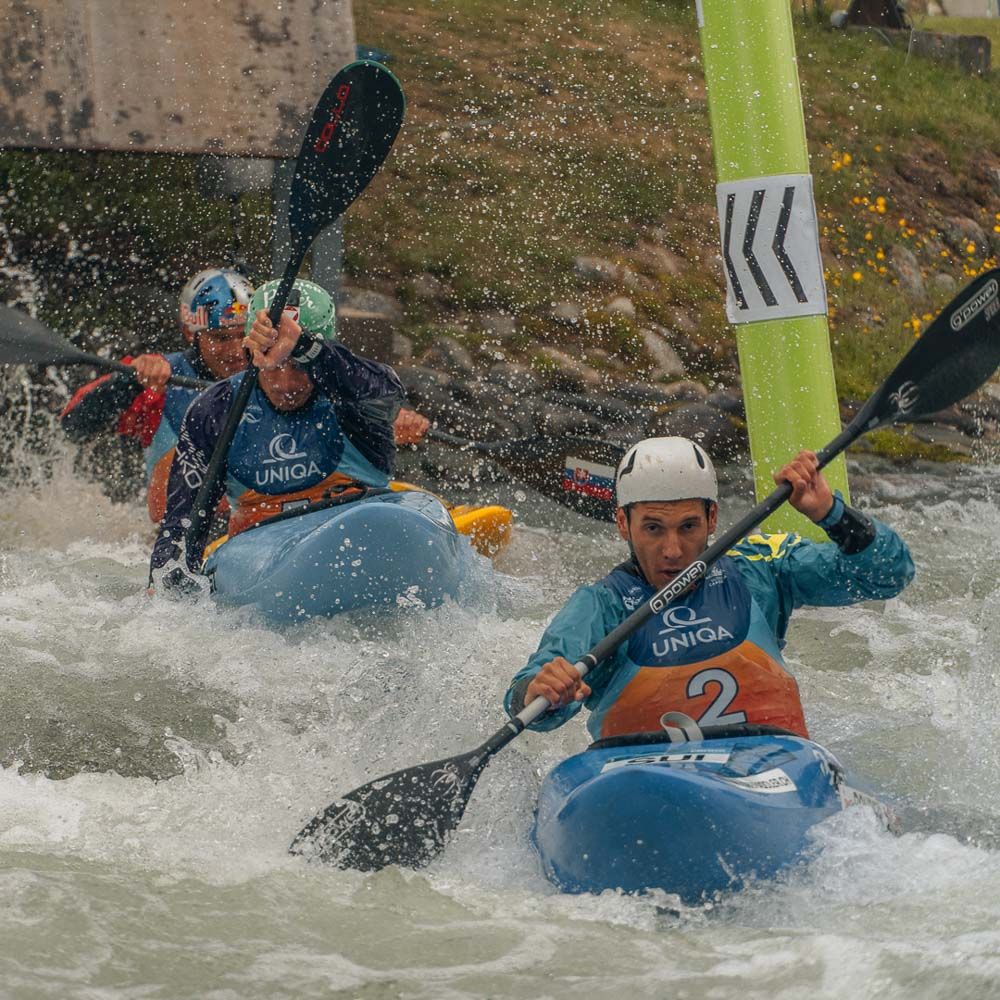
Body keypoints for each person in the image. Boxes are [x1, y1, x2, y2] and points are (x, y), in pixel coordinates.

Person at [504, 436, 915, 741]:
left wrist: (831, 514)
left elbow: (888, 576)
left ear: (713, 517)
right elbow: (530, 704)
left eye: (688, 526)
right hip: (643, 780)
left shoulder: (761, 569)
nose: (672, 550)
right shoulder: (601, 606)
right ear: (622, 524)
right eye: (652, 528)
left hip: (771, 769)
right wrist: (541, 691)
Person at [148, 277, 404, 591]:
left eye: (299, 366)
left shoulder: (352, 394)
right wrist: (166, 596)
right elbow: (182, 527)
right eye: (274, 364)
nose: (286, 385)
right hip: (261, 555)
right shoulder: (214, 411)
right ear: (252, 347)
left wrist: (305, 347)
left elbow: (387, 389)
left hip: (363, 533)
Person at [60, 267, 254, 521]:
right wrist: (128, 383)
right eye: (221, 338)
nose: (237, 351)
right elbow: (73, 425)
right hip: (183, 533)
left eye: (244, 335)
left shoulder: (280, 375)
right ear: (190, 333)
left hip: (254, 525)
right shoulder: (159, 381)